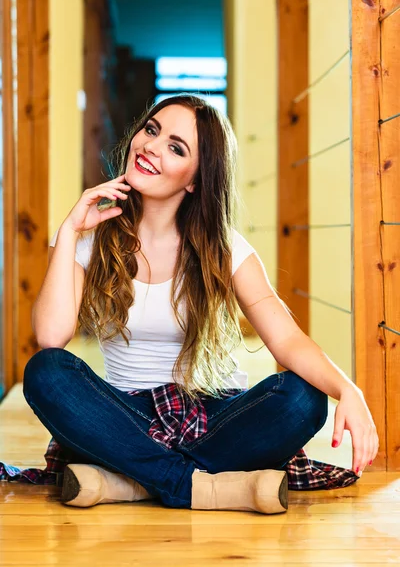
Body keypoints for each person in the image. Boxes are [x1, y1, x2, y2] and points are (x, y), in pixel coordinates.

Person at [20, 95, 378, 514]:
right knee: (46, 372)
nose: (152, 146)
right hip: (129, 418)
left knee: (304, 396)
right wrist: (67, 232)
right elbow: (50, 335)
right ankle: (206, 486)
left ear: (194, 179)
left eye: (176, 147)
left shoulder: (225, 247)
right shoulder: (86, 238)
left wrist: (347, 390)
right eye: (151, 130)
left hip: (213, 415)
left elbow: (287, 341)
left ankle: (132, 482)